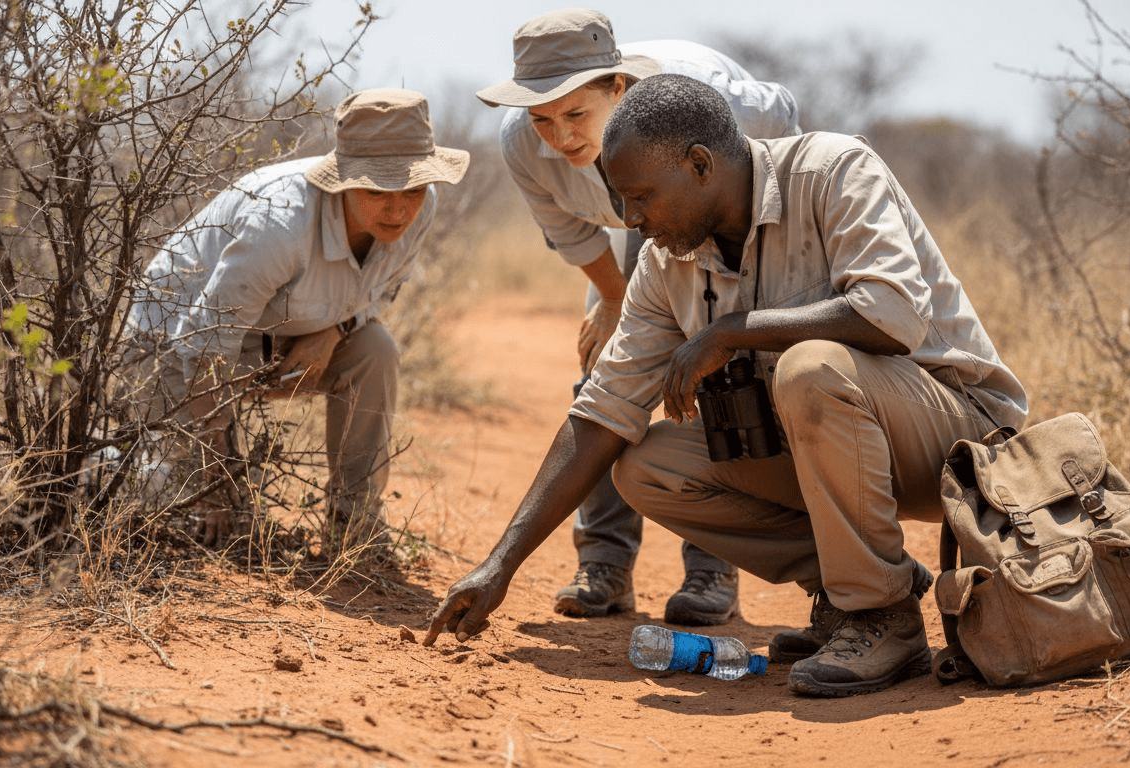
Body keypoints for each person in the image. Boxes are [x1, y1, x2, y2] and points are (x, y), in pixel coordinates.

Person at [425, 73, 1027, 698]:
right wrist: (499, 564)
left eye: (640, 197)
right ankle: (853, 589)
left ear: (700, 164)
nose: (631, 220)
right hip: (838, 449)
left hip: (961, 441)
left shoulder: (833, 171)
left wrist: (734, 331)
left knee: (810, 368)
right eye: (621, 201)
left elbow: (891, 314)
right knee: (649, 466)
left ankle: (881, 616)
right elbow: (602, 411)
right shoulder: (666, 261)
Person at [476, 7, 800, 625]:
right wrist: (613, 301)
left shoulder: (712, 102)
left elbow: (782, 119)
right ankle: (603, 563)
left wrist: (745, 254)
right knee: (603, 377)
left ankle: (712, 568)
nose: (559, 136)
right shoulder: (521, 143)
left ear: (618, 87)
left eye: (575, 114)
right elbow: (573, 234)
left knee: (720, 372)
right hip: (634, 227)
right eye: (542, 118)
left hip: (711, 209)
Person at [125, 88, 469, 555]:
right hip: (171, 348)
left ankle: (355, 524)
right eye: (376, 190)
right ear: (343, 180)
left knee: (375, 350)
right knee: (186, 515)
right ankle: (106, 467)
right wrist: (216, 476)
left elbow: (380, 293)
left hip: (278, 340)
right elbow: (204, 348)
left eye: (412, 188)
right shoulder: (279, 226)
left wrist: (335, 331)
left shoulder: (421, 208)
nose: (398, 209)